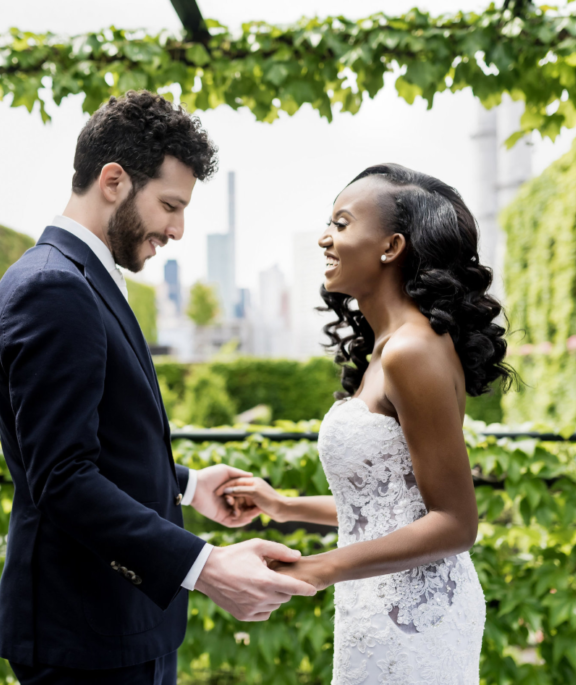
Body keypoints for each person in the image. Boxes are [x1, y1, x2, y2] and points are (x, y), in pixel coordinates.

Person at [0, 90, 316, 685]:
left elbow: (92, 444)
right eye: (169, 204)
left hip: (115, 626)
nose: (179, 229)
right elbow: (61, 479)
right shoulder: (53, 288)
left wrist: (185, 486)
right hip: (85, 637)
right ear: (113, 180)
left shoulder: (75, 278)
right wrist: (205, 564)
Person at [218, 164, 515, 684]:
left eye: (341, 222)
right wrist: (282, 506)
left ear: (391, 246)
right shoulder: (392, 347)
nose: (324, 237)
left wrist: (318, 568)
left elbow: (455, 521)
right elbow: (389, 507)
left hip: (415, 618)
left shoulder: (412, 351)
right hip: (379, 603)